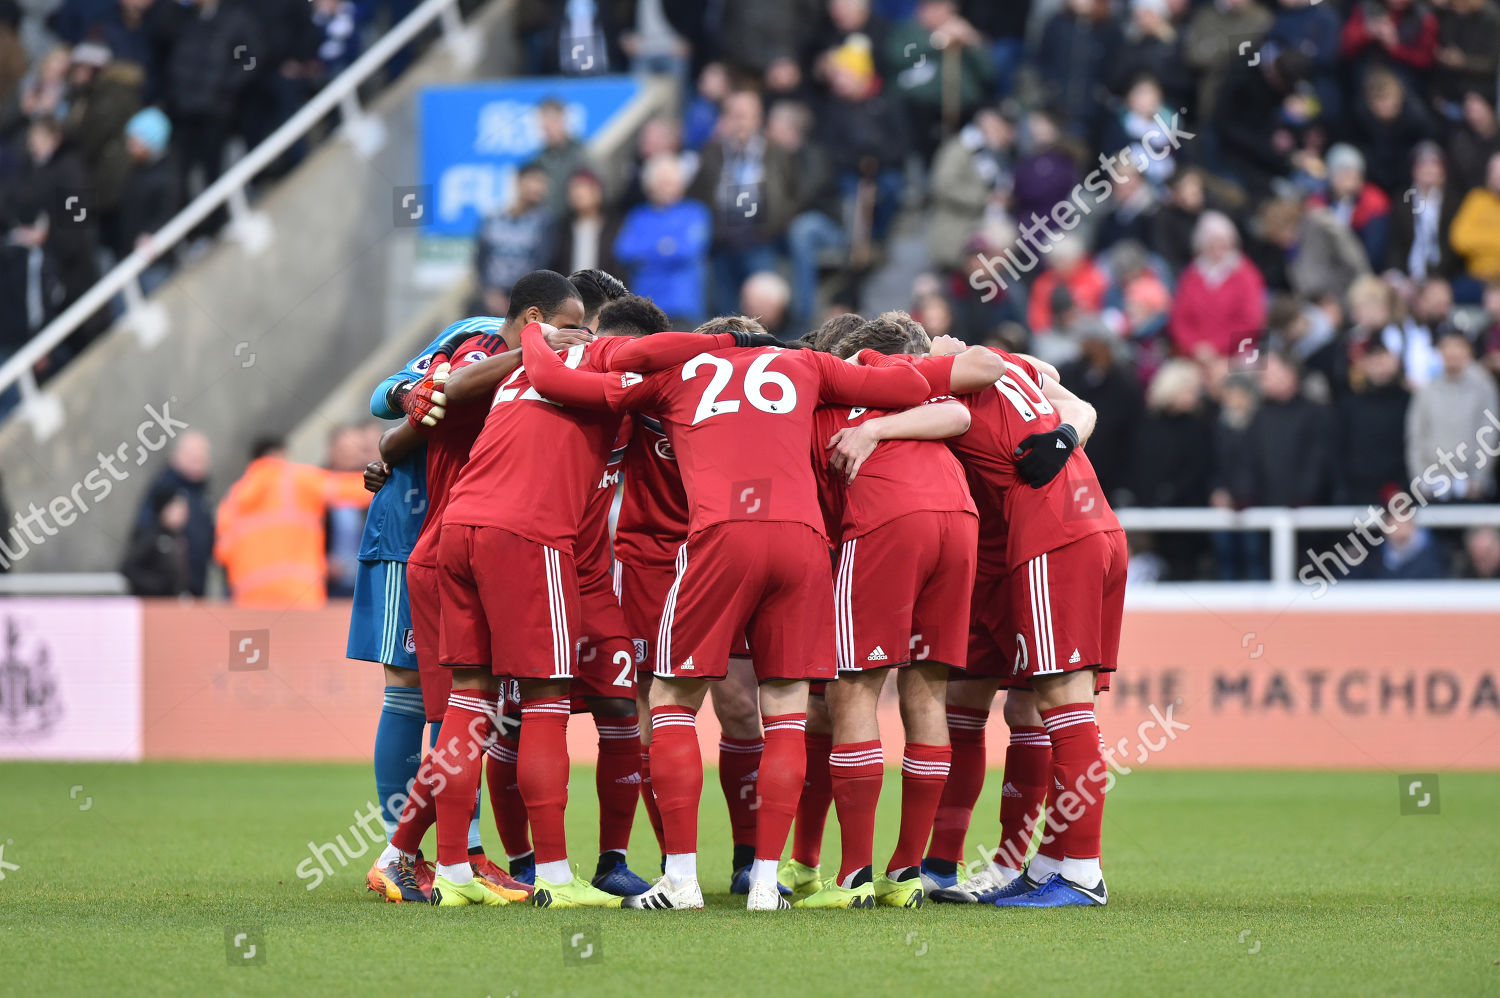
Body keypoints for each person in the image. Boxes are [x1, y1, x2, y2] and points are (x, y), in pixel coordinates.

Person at [518, 308, 935, 912]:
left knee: (669, 702)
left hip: (722, 536)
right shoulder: (807, 363)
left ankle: (681, 881)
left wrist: (532, 332)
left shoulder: (678, 372)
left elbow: (556, 381)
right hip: (803, 540)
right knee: (788, 709)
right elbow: (913, 387)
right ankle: (766, 884)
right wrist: (864, 361)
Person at [429, 270, 784, 908]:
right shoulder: (604, 374)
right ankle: (554, 878)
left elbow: (460, 391)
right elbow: (656, 353)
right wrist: (730, 349)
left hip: (461, 530)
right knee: (543, 703)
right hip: (529, 536)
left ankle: (452, 870)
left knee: (471, 700)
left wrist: (537, 340)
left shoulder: (522, 370)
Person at [793, 315, 978, 910]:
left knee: (853, 689)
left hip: (885, 523)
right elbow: (959, 414)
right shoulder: (902, 376)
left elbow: (821, 507)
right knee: (927, 690)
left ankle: (852, 877)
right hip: (958, 520)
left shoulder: (821, 397)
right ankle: (906, 873)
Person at [213, 438, 370, 607]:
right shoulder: (298, 479)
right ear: (280, 454)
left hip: (249, 598)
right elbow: (350, 489)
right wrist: (390, 476)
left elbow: (222, 552)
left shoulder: (235, 495)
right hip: (300, 593)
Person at [612, 154, 711, 323]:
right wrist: (665, 247)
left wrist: (647, 255)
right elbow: (624, 251)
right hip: (645, 308)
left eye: (670, 182)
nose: (666, 187)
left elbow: (688, 251)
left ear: (681, 184)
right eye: (660, 182)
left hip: (683, 307)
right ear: (649, 186)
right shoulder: (638, 216)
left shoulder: (695, 213)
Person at [1406, 331, 1500, 501]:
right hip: (1433, 484)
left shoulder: (1483, 388)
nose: (1452, 353)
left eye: (1458, 347)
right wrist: (1420, 479)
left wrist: (1478, 478)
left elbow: (1490, 434)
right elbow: (1416, 436)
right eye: (1447, 347)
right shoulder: (1427, 390)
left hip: (1472, 485)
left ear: (1468, 351)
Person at [127, 430, 213, 596]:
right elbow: (140, 540)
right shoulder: (163, 489)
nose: (198, 460)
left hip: (194, 593)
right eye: (192, 454)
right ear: (177, 456)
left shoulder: (204, 496)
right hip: (163, 598)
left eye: (202, 455)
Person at [474, 162, 556, 317]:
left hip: (527, 303)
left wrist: (520, 300)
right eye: (534, 180)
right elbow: (481, 259)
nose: (539, 187)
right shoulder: (492, 217)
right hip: (491, 300)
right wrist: (490, 292)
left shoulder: (546, 222)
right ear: (519, 181)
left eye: (543, 183)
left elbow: (543, 263)